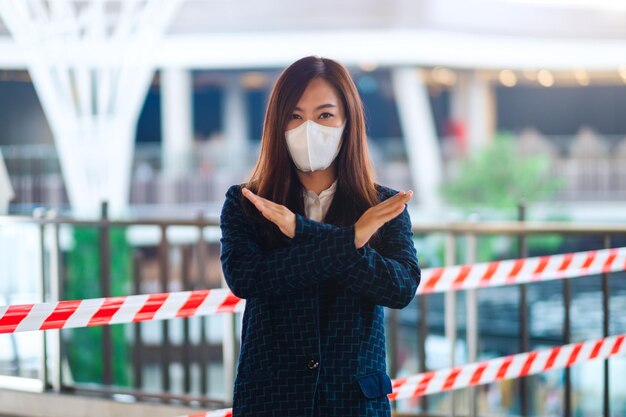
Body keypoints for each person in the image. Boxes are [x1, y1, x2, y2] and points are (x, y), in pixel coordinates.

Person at [219, 55, 421, 417]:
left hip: (353, 401)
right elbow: (248, 278)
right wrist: (351, 239)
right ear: (276, 124)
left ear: (348, 122)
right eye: (295, 116)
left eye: (325, 115)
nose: (308, 128)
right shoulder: (248, 202)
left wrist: (302, 231)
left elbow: (400, 287)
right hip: (273, 399)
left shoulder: (383, 206)